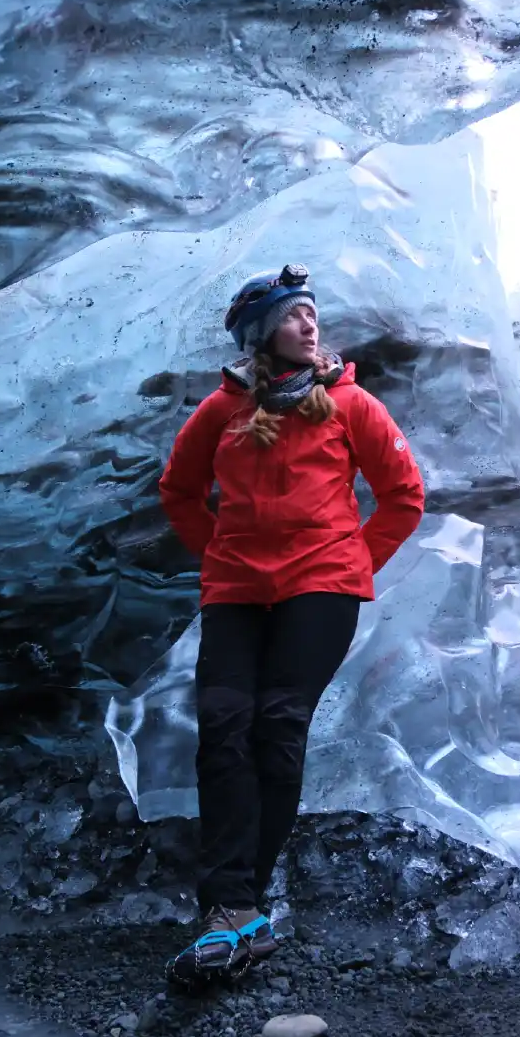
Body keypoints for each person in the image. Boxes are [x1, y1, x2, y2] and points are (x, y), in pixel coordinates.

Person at [156, 262, 425, 989]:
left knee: (276, 724)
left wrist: (348, 564)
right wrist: (214, 550)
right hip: (236, 587)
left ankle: (239, 902)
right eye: (292, 316)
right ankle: (233, 907)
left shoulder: (350, 404)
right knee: (222, 723)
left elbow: (404, 494)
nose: (310, 324)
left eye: (312, 313)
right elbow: (179, 489)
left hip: (321, 585)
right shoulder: (220, 412)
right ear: (259, 335)